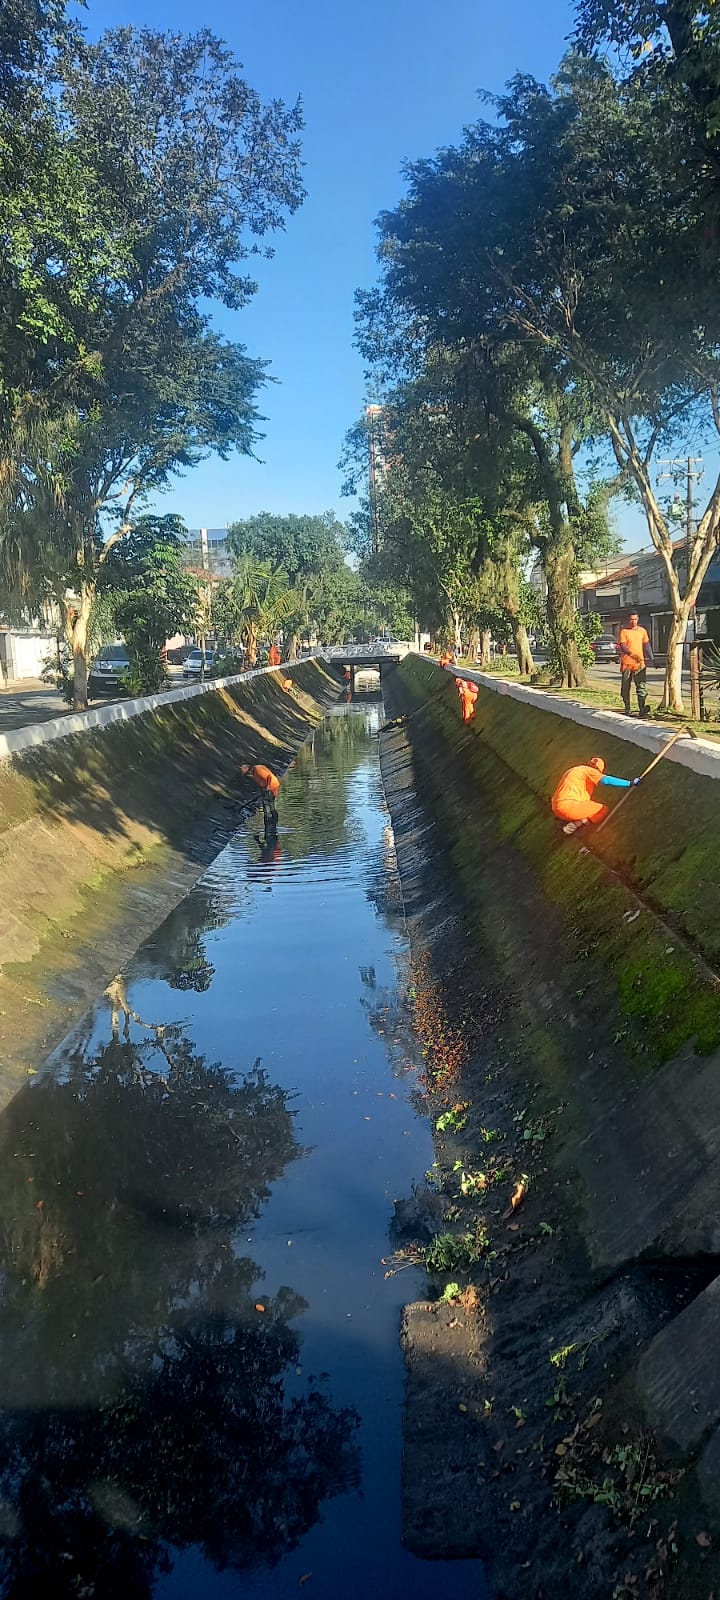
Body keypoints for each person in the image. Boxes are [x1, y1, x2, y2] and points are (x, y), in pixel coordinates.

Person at [551, 755, 641, 833]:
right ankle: (575, 825)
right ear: (598, 770)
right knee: (602, 810)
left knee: (589, 806)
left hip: (557, 808)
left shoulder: (574, 770)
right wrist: (630, 783)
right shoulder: (589, 771)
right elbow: (606, 780)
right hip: (570, 807)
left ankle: (572, 822)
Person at [618, 612, 653, 718]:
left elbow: (646, 645)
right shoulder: (624, 632)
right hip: (627, 663)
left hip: (640, 664)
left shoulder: (642, 631)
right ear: (628, 620)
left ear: (638, 619)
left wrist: (652, 658)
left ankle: (642, 708)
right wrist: (632, 655)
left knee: (641, 687)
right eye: (631, 619)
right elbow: (623, 647)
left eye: (635, 619)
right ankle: (627, 707)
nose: (633, 621)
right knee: (625, 687)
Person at [241, 762, 280, 827]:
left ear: (249, 770)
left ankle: (268, 822)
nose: (247, 775)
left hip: (272, 786)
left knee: (267, 804)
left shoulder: (258, 770)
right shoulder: (254, 774)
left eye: (247, 774)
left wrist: (267, 788)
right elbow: (261, 782)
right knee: (271, 803)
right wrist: (261, 790)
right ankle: (273, 821)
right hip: (269, 786)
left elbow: (269, 777)